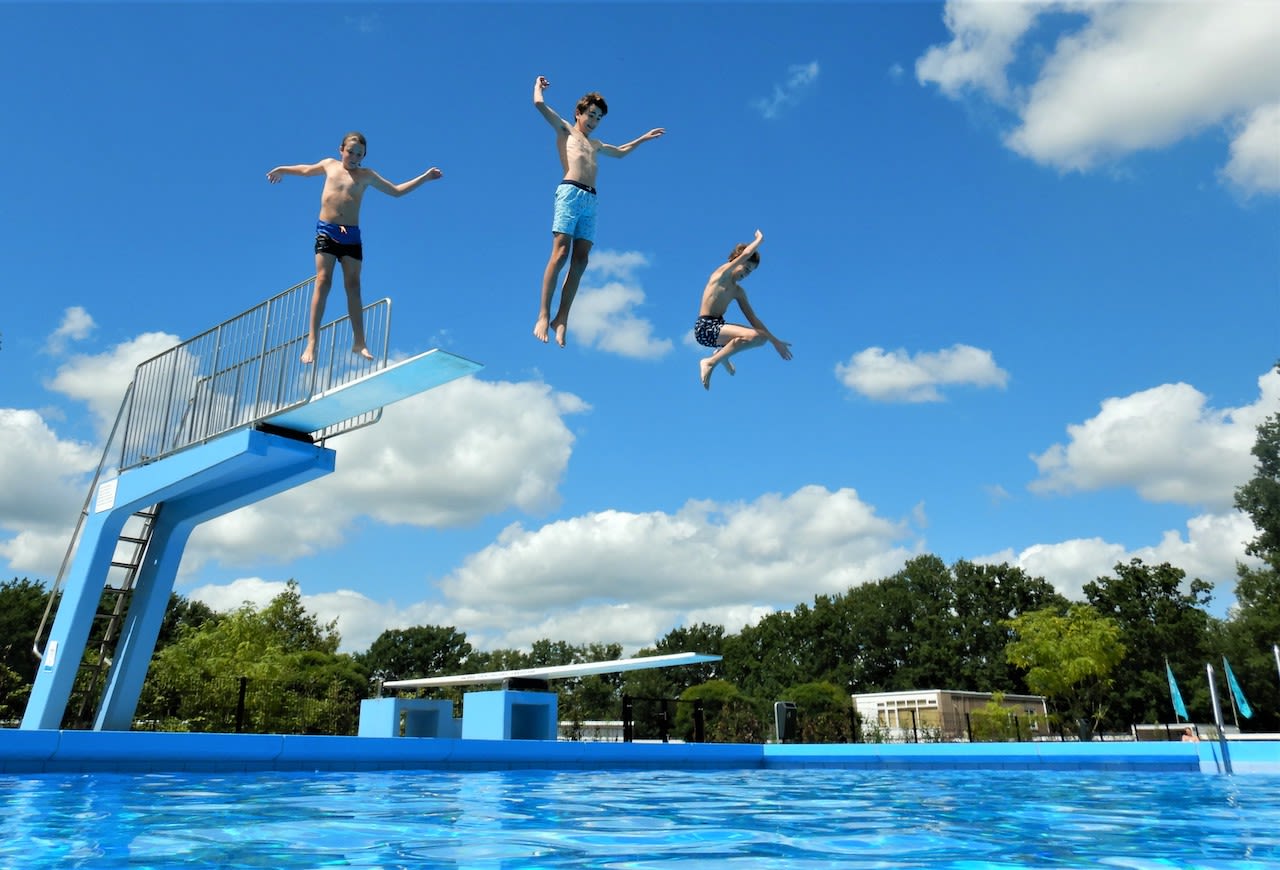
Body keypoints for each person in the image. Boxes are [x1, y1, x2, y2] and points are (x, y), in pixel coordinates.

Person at [267, 132, 442, 364]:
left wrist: (425, 177)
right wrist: (282, 169)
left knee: (353, 286)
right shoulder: (329, 165)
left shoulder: (366, 175)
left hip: (351, 236)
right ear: (341, 149)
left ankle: (359, 342)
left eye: (359, 154)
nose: (354, 157)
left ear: (363, 156)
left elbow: (397, 191)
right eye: (350, 152)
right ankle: (312, 342)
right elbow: (306, 170)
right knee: (323, 280)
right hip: (327, 231)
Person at [532, 75, 664, 347]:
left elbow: (622, 152)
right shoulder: (566, 130)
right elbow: (539, 105)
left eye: (598, 118)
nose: (593, 121)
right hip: (570, 192)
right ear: (578, 113)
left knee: (581, 261)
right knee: (560, 254)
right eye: (590, 115)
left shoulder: (597, 144)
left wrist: (644, 138)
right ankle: (543, 315)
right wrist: (538, 88)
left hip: (591, 201)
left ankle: (562, 318)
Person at [694, 229, 792, 390]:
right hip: (705, 328)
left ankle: (720, 355)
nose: (746, 274)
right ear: (736, 261)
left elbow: (753, 318)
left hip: (718, 329)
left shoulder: (738, 291)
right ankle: (711, 362)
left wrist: (775, 341)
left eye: (750, 272)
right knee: (754, 335)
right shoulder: (721, 275)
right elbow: (746, 254)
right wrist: (759, 240)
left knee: (761, 338)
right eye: (745, 268)